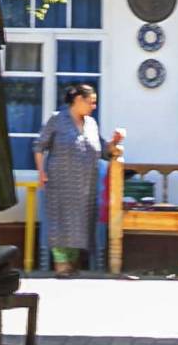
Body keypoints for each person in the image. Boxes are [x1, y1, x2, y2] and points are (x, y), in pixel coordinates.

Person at [34, 83, 124, 277]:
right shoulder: (57, 119)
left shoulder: (91, 124)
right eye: (91, 102)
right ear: (77, 100)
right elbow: (39, 146)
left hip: (86, 185)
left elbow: (103, 150)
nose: (94, 106)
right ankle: (61, 266)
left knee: (80, 223)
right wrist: (41, 172)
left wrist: (115, 142)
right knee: (60, 221)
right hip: (60, 183)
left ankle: (72, 265)